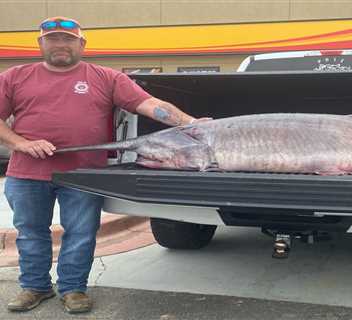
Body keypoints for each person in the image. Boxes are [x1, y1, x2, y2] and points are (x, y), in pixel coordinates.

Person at [0, 16, 210, 314]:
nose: (60, 45)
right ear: (41, 43)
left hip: (84, 174)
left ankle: (73, 289)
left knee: (82, 232)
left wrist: (191, 124)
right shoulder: (15, 77)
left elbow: (149, 104)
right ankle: (35, 287)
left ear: (82, 44)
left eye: (68, 40)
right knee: (31, 232)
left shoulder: (106, 78)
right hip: (27, 174)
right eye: (53, 39)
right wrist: (20, 143)